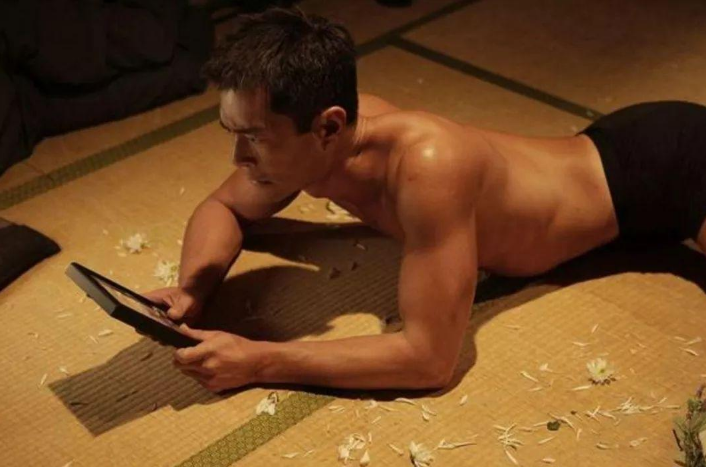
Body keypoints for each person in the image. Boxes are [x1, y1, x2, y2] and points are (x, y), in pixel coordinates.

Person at [145, 8, 706, 392]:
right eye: (233, 133)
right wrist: (193, 289)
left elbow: (429, 360)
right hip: (606, 151)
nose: (238, 157)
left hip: (674, 166)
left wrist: (259, 361)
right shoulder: (313, 136)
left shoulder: (429, 166)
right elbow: (222, 208)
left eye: (255, 138)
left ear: (328, 127)